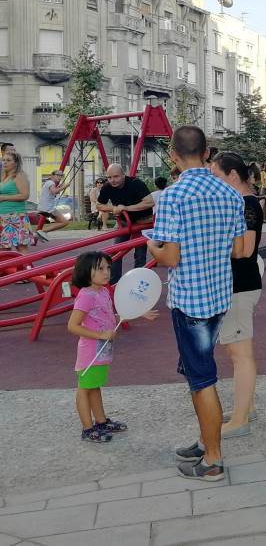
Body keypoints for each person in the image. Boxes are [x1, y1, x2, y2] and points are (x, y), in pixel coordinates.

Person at [146, 126, 246, 482]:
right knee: (196, 372)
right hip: (219, 294)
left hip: (190, 300)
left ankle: (213, 459)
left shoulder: (173, 197)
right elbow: (238, 250)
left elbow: (169, 256)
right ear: (206, 153)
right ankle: (206, 440)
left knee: (201, 379)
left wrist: (151, 246)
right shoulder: (230, 193)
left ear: (173, 155)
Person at [67, 251, 157, 444]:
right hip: (90, 352)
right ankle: (87, 428)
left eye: (108, 267)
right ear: (85, 271)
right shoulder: (86, 296)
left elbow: (108, 319)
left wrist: (139, 313)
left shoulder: (104, 291)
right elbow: (72, 326)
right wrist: (100, 335)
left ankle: (101, 421)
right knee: (84, 389)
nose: (106, 272)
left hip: (103, 349)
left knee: (94, 387)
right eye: (100, 268)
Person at [210, 152, 263, 438]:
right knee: (238, 352)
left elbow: (245, 250)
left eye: (217, 176)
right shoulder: (244, 203)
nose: (214, 182)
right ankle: (246, 407)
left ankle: (240, 419)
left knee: (240, 354)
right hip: (240, 285)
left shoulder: (246, 204)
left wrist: (213, 244)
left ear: (232, 175)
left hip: (240, 286)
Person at [96, 164, 154, 283]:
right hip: (124, 222)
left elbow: (149, 202)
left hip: (142, 221)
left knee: (140, 253)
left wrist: (126, 208)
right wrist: (113, 208)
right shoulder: (107, 187)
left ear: (123, 175)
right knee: (116, 251)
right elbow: (99, 205)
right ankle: (113, 282)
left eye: (116, 176)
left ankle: (138, 281)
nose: (113, 180)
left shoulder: (136, 183)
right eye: (110, 177)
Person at [0, 151, 34, 254]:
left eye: (8, 160)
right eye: (3, 160)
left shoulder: (19, 176)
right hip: (3, 216)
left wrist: (3, 197)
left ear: (16, 163)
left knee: (21, 247)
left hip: (16, 216)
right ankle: (9, 270)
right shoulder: (4, 177)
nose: (4, 163)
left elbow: (25, 195)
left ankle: (28, 269)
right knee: (4, 248)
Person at [36, 169, 70, 240]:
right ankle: (42, 232)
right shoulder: (51, 183)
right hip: (48, 209)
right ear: (52, 176)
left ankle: (41, 234)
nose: (59, 177)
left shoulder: (49, 183)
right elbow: (54, 191)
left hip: (44, 207)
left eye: (61, 175)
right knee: (65, 222)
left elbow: (53, 192)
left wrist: (59, 187)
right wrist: (65, 186)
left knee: (60, 222)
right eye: (57, 175)